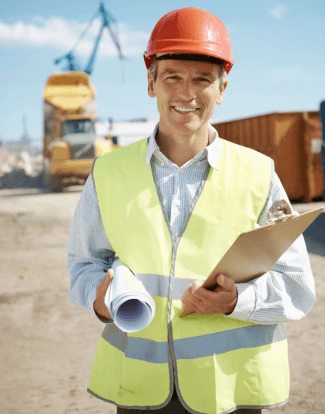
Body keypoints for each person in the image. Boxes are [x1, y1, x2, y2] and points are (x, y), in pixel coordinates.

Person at [67, 7, 316, 414]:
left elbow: (298, 289)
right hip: (141, 392)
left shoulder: (258, 174)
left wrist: (237, 301)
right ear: (151, 84)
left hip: (231, 393)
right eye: (172, 78)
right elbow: (83, 265)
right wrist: (99, 300)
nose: (187, 94)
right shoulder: (108, 172)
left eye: (203, 79)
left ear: (222, 88)